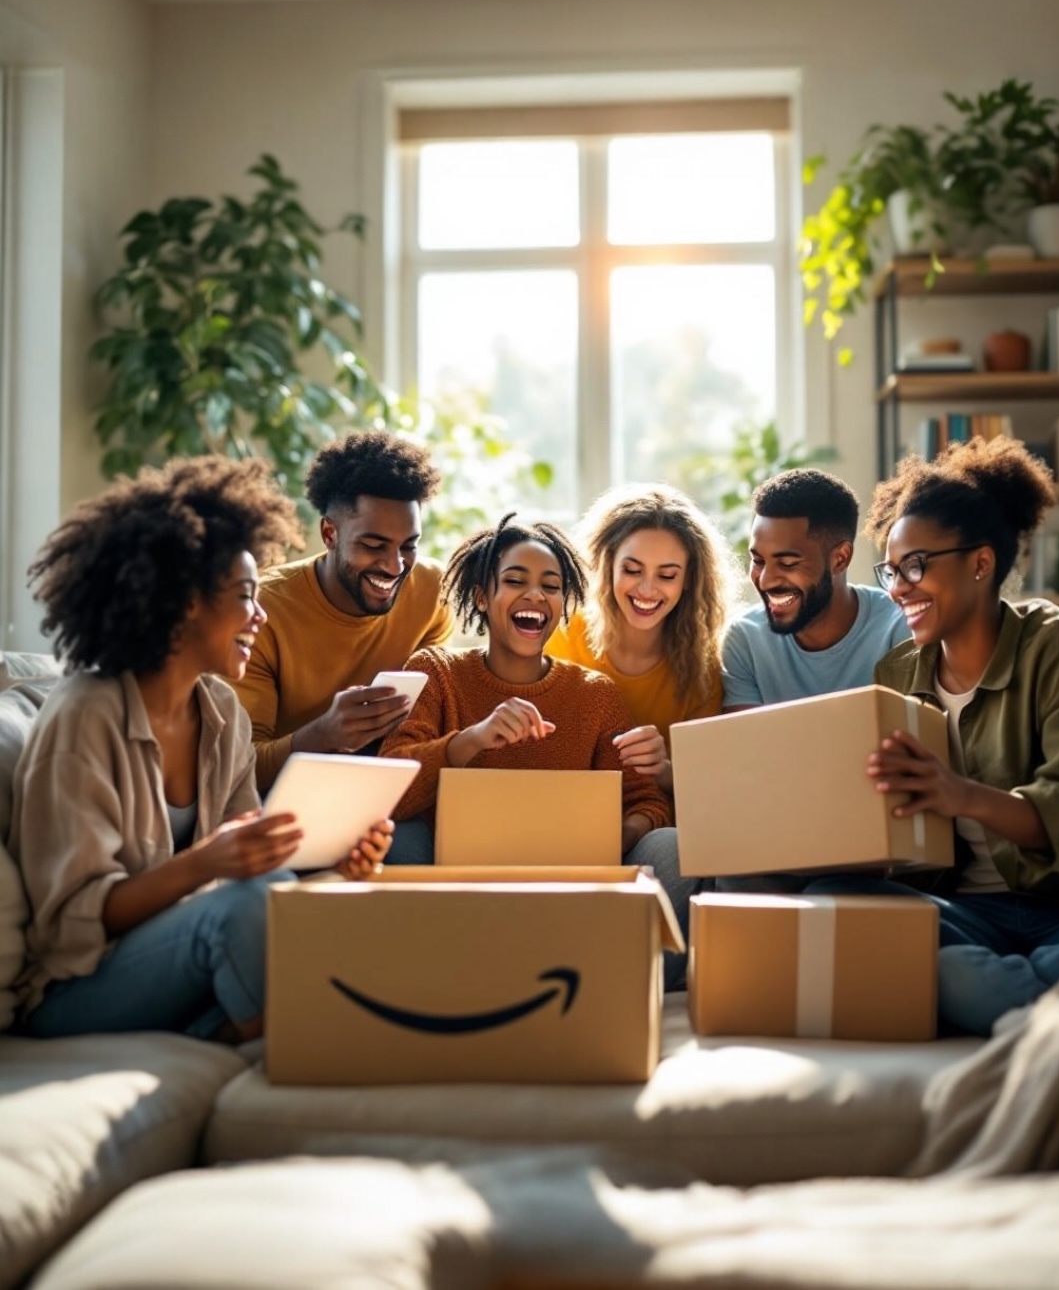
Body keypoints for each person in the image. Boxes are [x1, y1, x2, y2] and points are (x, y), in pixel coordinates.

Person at [9, 456, 392, 1042]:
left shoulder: (220, 714)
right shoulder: (86, 715)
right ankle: (291, 1049)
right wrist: (206, 862)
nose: (260, 616)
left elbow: (257, 880)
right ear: (186, 602)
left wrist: (338, 866)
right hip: (76, 986)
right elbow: (72, 923)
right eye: (245, 595)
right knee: (247, 909)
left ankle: (249, 1037)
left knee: (303, 908)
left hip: (186, 957)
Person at [379, 515, 692, 988]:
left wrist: (601, 841)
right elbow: (389, 787)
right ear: (483, 596)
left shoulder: (593, 694)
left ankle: (627, 993)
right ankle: (438, 980)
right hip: (457, 891)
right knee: (395, 833)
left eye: (551, 585)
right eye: (515, 581)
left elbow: (648, 802)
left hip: (568, 893)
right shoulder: (437, 671)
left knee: (671, 845)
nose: (535, 596)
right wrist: (472, 739)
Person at [861, 435, 1059, 1036]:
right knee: (835, 896)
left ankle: (1009, 997)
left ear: (980, 564)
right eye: (891, 571)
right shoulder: (897, 673)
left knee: (956, 977)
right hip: (961, 913)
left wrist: (958, 795)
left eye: (915, 565)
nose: (899, 586)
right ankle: (1049, 1009)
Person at [234, 430, 454, 791]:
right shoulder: (262, 611)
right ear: (329, 534)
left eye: (408, 546)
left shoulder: (431, 592)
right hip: (282, 803)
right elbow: (237, 770)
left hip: (387, 790)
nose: (395, 566)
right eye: (373, 545)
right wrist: (322, 734)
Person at [546, 484, 737, 795]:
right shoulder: (565, 633)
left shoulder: (705, 666)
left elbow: (710, 786)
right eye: (632, 570)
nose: (647, 590)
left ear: (689, 579)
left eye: (667, 576)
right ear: (608, 565)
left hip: (656, 823)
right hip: (572, 807)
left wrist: (662, 770)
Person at [721, 468, 907, 710]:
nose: (765, 581)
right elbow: (745, 745)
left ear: (840, 558)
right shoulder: (746, 640)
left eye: (787, 563)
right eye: (758, 561)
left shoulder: (898, 627)